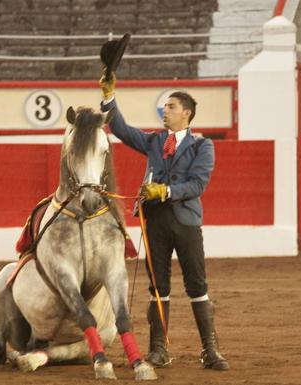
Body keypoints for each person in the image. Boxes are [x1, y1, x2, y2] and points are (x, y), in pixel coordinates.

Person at [98, 70, 229, 371]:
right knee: (158, 287)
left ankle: (210, 350)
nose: (165, 111)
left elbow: (197, 185)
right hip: (155, 221)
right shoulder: (155, 141)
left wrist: (166, 190)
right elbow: (120, 127)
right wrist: (109, 97)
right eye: (165, 107)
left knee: (197, 284)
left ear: (187, 113)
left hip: (185, 223)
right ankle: (158, 350)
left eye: (170, 107)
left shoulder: (202, 146)